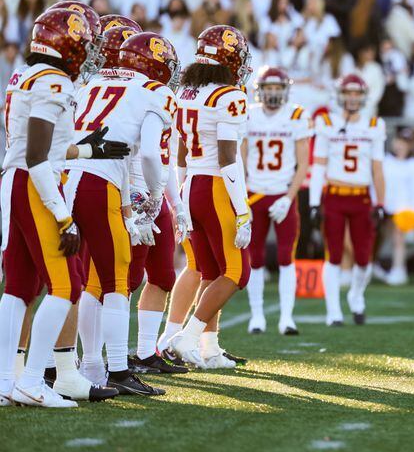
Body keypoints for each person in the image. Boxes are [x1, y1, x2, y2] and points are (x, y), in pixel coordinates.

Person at [0, 8, 128, 407]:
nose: (88, 51)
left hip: (17, 178)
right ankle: (33, 379)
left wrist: (88, 148)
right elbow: (39, 158)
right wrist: (64, 216)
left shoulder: (27, 74)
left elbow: (44, 147)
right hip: (34, 183)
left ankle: (5, 380)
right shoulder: (55, 82)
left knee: (19, 287)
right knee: (65, 285)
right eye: (85, 43)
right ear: (67, 44)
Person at [70, 29, 178, 396]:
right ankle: (115, 369)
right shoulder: (153, 91)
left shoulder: (93, 79)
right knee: (115, 281)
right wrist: (156, 193)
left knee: (83, 282)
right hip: (99, 183)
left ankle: (85, 365)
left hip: (67, 178)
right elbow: (149, 152)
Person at [167, 25, 253, 367]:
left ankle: (210, 347)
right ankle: (186, 337)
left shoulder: (186, 93)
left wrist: (181, 197)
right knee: (236, 272)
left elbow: (181, 154)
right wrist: (243, 208)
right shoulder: (230, 96)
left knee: (211, 269)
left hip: (192, 185)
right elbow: (228, 158)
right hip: (217, 185)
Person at [308, 74, 386, 325]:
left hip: (361, 197)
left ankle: (356, 293)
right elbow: (318, 165)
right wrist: (313, 201)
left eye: (356, 94)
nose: (352, 98)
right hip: (334, 196)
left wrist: (380, 203)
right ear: (340, 96)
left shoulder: (374, 124)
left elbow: (377, 169)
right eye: (348, 93)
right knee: (334, 255)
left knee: (364, 257)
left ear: (363, 97)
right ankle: (333, 311)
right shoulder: (326, 122)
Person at [242, 66, 311, 336]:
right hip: (255, 192)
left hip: (283, 192)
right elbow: (242, 158)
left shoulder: (296, 114)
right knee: (255, 256)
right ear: (260, 90)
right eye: (268, 88)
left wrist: (289, 197)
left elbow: (303, 162)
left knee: (285, 256)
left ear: (285, 90)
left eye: (276, 88)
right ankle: (257, 315)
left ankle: (286, 318)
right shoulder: (249, 113)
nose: (272, 93)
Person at [382, 130, 414, 286]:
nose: (401, 146)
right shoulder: (384, 161)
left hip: (403, 209)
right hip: (384, 206)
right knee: (377, 237)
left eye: (405, 143)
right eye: (399, 141)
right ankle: (369, 265)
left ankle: (398, 269)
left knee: (398, 239)